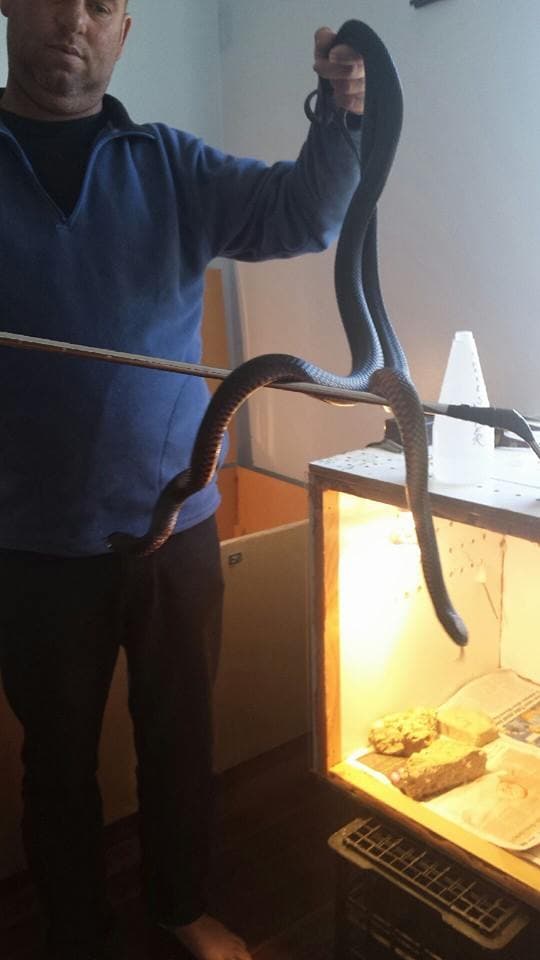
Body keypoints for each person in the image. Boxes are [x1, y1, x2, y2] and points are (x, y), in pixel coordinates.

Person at [0, 2, 365, 959]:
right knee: (57, 767)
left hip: (177, 530)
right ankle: (76, 936)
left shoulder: (169, 163)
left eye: (102, 3)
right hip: (29, 548)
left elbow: (306, 212)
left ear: (125, 29)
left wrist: (340, 114)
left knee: (179, 742)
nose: (73, 19)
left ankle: (178, 911)